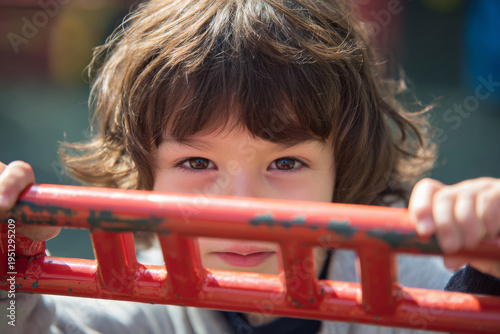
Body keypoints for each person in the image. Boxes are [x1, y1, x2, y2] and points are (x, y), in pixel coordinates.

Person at [1, 0, 499, 333]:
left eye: (286, 161)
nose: (241, 201)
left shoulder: (404, 275)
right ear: (145, 172)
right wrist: (7, 254)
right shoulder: (139, 290)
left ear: (342, 168)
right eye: (197, 161)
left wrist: (487, 265)